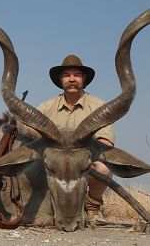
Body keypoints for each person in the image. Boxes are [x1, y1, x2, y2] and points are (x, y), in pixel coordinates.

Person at [37, 54, 114, 223]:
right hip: (55, 167)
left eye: (77, 75)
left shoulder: (99, 106)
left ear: (83, 79)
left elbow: (105, 143)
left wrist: (80, 159)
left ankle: (92, 206)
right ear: (60, 80)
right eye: (67, 75)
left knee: (104, 167)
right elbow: (27, 134)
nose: (72, 79)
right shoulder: (45, 107)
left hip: (82, 166)